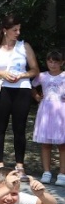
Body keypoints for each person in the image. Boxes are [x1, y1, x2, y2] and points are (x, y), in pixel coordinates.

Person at [0, 15, 40, 176]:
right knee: (0, 126)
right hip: (2, 89)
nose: (18, 33)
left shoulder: (24, 46)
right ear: (5, 30)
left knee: (19, 128)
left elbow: (35, 69)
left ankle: (19, 165)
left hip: (22, 89)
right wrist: (1, 73)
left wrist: (22, 75)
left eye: (19, 29)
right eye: (15, 30)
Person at [31, 50, 65, 186]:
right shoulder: (42, 76)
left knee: (62, 144)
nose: (53, 64)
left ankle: (62, 174)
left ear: (62, 63)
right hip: (46, 111)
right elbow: (32, 86)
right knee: (46, 143)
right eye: (50, 61)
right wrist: (36, 96)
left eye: (56, 62)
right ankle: (46, 172)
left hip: (61, 111)